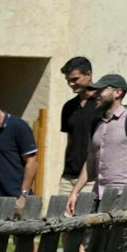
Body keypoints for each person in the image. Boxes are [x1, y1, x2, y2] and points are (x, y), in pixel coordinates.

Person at [66, 73, 127, 212]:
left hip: (123, 196)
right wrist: (75, 192)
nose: (96, 94)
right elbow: (90, 160)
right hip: (97, 196)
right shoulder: (96, 123)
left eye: (101, 90)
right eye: (95, 90)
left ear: (118, 92)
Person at [56, 57, 100, 198]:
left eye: (75, 79)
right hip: (68, 178)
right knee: (59, 218)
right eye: (68, 80)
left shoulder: (102, 104)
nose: (71, 84)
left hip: (93, 178)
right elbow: (71, 140)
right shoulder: (68, 107)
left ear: (88, 75)